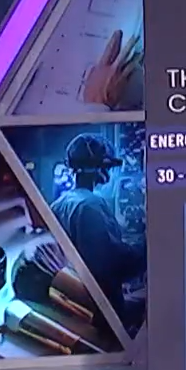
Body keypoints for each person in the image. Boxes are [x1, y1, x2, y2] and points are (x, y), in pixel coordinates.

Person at [49, 134, 145, 327]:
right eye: (107, 167)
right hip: (103, 317)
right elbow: (115, 264)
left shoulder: (58, 205)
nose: (109, 174)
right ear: (98, 169)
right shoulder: (91, 205)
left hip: (77, 305)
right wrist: (149, 246)